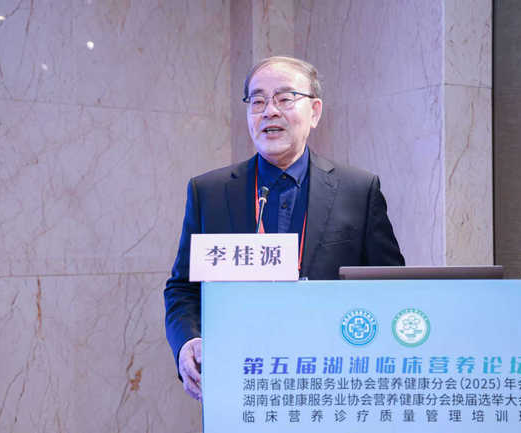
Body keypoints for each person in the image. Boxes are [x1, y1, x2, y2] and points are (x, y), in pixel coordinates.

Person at [164, 56, 405, 401]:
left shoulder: (358, 190)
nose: (269, 111)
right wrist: (188, 340)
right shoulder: (210, 192)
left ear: (315, 112)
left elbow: (390, 286)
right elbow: (182, 289)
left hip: (332, 384)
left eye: (285, 98)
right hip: (240, 382)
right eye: (257, 101)